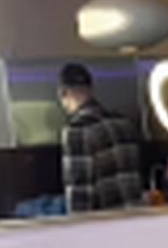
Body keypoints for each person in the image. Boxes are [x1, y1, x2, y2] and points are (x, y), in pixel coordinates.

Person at [57, 63, 143, 213]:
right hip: (136, 216)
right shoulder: (124, 123)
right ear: (91, 89)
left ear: (63, 93)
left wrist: (77, 223)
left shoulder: (77, 129)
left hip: (106, 221)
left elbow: (80, 191)